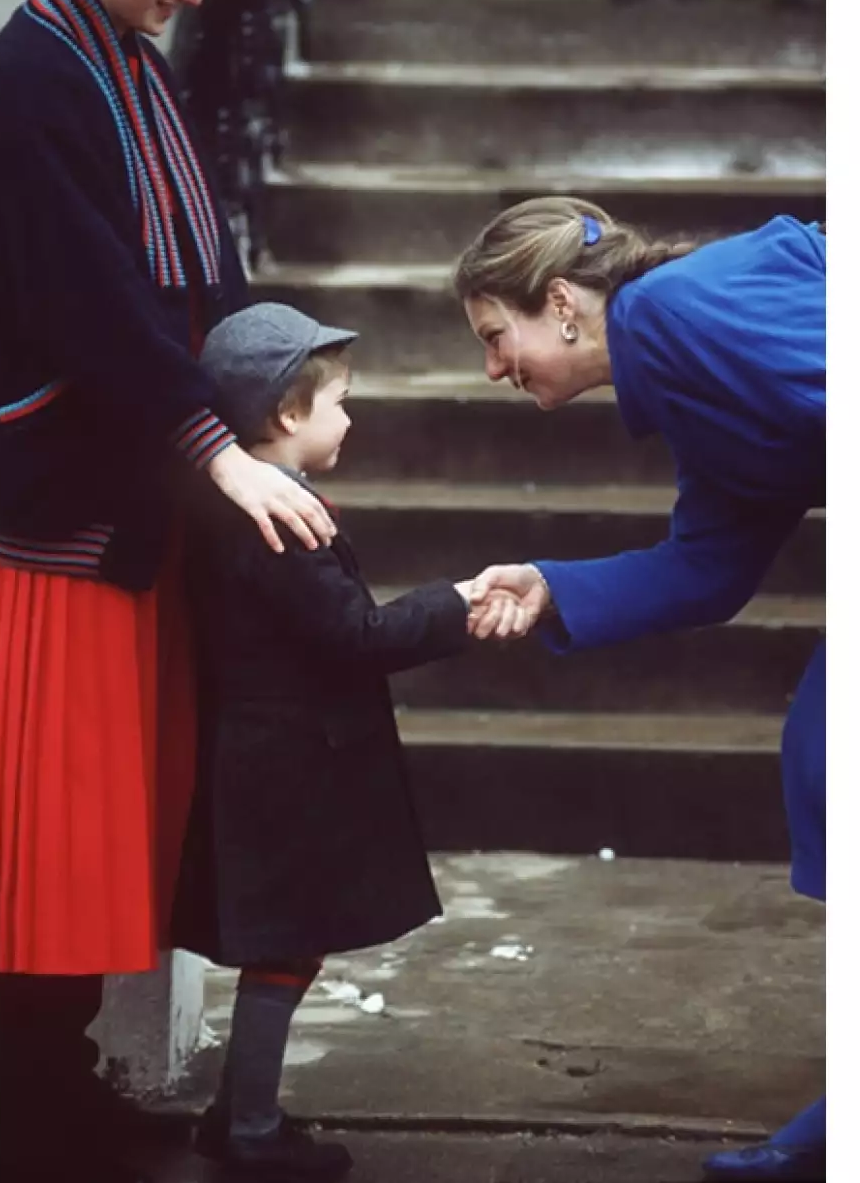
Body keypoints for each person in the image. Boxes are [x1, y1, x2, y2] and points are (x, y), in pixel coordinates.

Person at [0, 0, 337, 1183]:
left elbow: (194, 282)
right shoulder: (42, 86)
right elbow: (96, 305)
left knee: (90, 829)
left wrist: (274, 403)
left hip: (108, 501)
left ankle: (53, 1089)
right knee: (57, 830)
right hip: (67, 514)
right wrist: (219, 449)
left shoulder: (106, 65)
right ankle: (26, 1113)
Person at [453, 197, 826, 1183]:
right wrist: (552, 584)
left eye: (498, 335)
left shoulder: (671, 315)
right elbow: (711, 566)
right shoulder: (675, 355)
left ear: (562, 303)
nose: (495, 369)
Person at [169, 303, 521, 1180]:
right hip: (291, 765)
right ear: (290, 416)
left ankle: (238, 1112)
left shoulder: (234, 502)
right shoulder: (278, 519)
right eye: (341, 401)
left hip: (268, 753)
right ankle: (247, 1127)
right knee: (287, 944)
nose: (351, 418)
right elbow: (356, 635)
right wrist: (454, 602)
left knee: (289, 943)